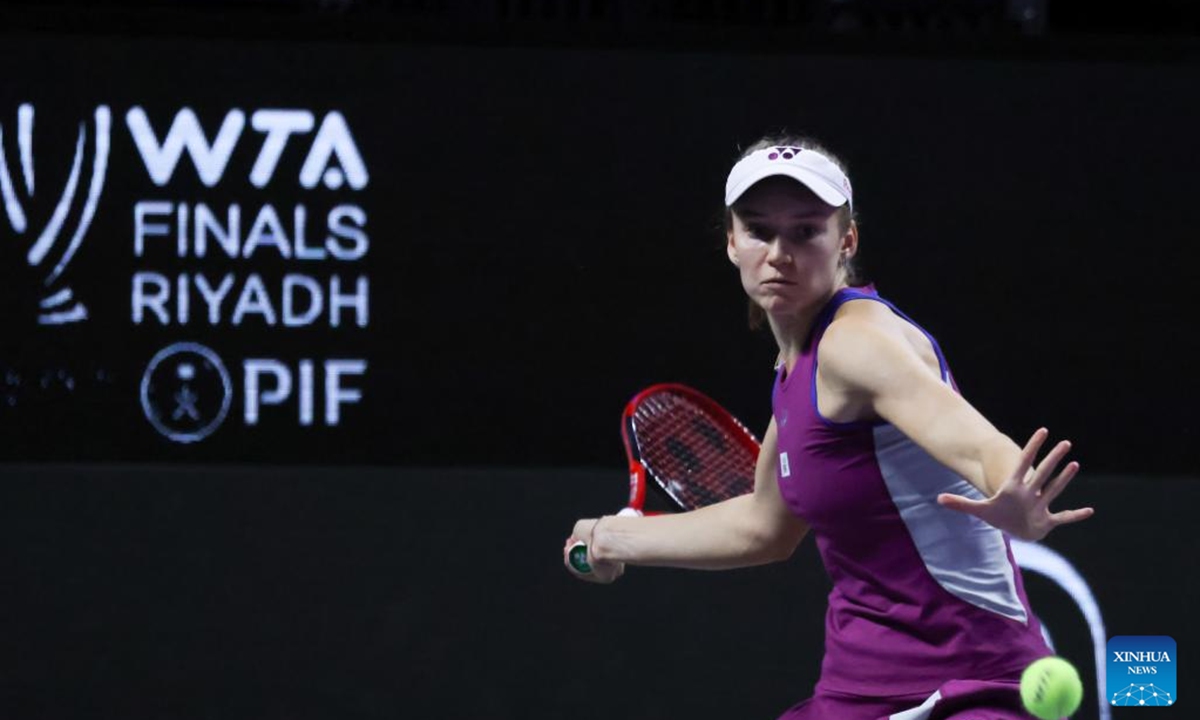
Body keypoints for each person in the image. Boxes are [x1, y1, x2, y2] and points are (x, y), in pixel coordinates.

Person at [562, 134, 1095, 719]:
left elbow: (980, 443)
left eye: (805, 231)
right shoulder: (796, 371)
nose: (779, 252)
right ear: (732, 243)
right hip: (858, 689)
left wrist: (1011, 493)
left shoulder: (855, 343)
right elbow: (763, 527)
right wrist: (610, 536)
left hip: (968, 683)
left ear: (847, 240)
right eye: (760, 230)